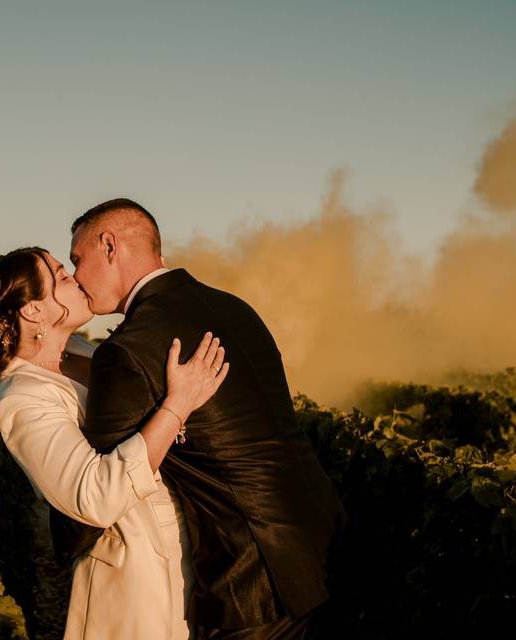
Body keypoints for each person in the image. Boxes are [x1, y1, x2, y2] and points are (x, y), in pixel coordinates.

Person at [54, 199, 348, 639]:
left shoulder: (130, 347)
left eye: (77, 259)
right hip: (325, 544)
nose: (75, 276)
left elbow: (95, 499)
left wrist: (59, 542)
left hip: (252, 580)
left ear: (110, 246)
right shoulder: (234, 308)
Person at [0, 246, 229, 639]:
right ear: (32, 311)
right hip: (134, 573)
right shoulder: (21, 397)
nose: (74, 279)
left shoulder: (82, 352)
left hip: (183, 545)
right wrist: (177, 406)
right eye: (60, 276)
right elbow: (93, 497)